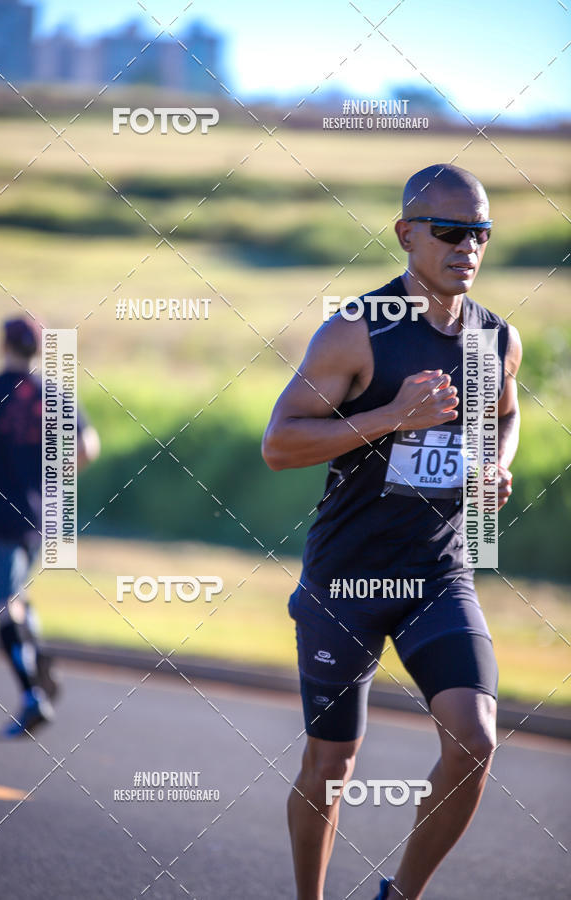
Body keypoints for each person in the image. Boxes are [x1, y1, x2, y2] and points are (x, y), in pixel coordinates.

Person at [262, 164, 522, 900]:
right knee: (332, 763)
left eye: (481, 233)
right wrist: (389, 418)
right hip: (346, 577)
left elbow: (505, 412)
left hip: (437, 574)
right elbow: (280, 444)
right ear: (408, 233)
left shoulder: (495, 338)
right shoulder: (357, 330)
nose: (466, 247)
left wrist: (495, 464)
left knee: (474, 741)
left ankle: (398, 896)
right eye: (449, 230)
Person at [0, 318, 100, 736]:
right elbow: (88, 447)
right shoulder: (55, 393)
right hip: (41, 517)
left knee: (4, 601)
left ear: (4, 343)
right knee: (17, 595)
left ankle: (32, 695)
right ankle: (40, 659)